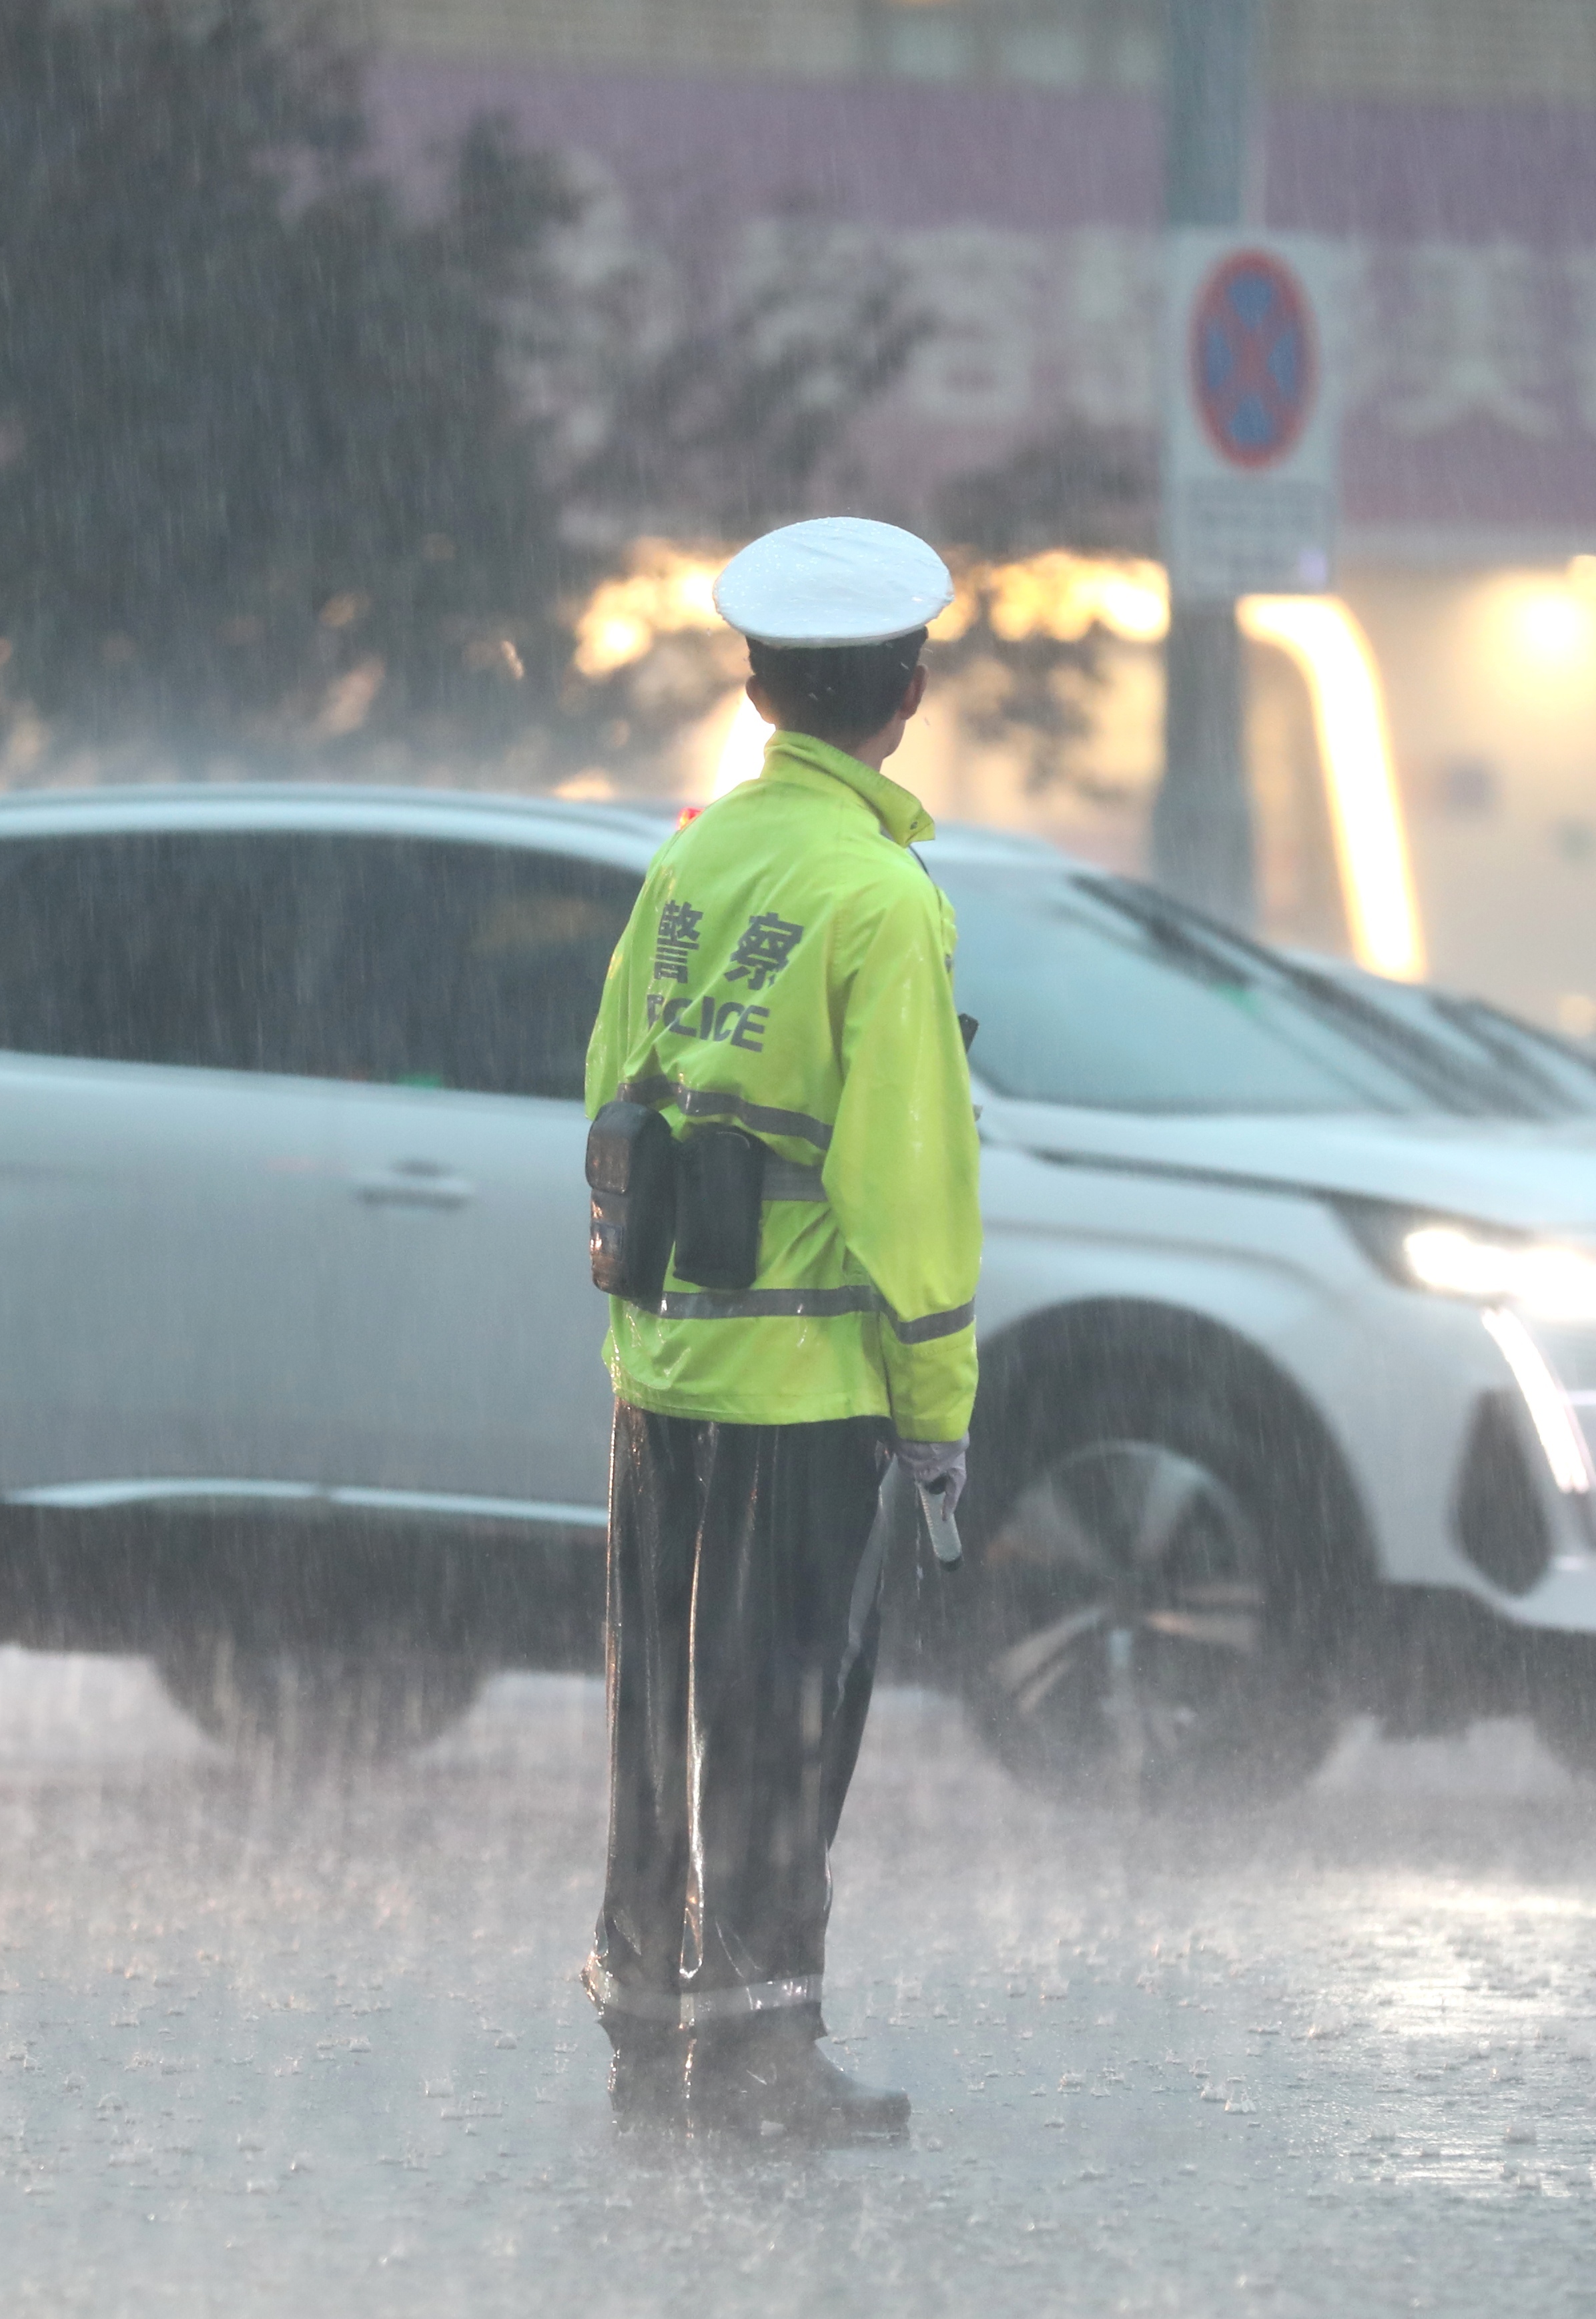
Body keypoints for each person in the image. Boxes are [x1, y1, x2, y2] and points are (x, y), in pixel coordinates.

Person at [580, 516, 981, 2141]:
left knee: (658, 1713)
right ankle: (758, 2053)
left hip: (659, 1370)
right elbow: (909, 1186)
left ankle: (645, 2016)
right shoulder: (877, 899)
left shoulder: (690, 863)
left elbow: (611, 1091)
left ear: (755, 691)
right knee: (780, 1714)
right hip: (804, 1391)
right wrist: (936, 1409)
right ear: (908, 693)